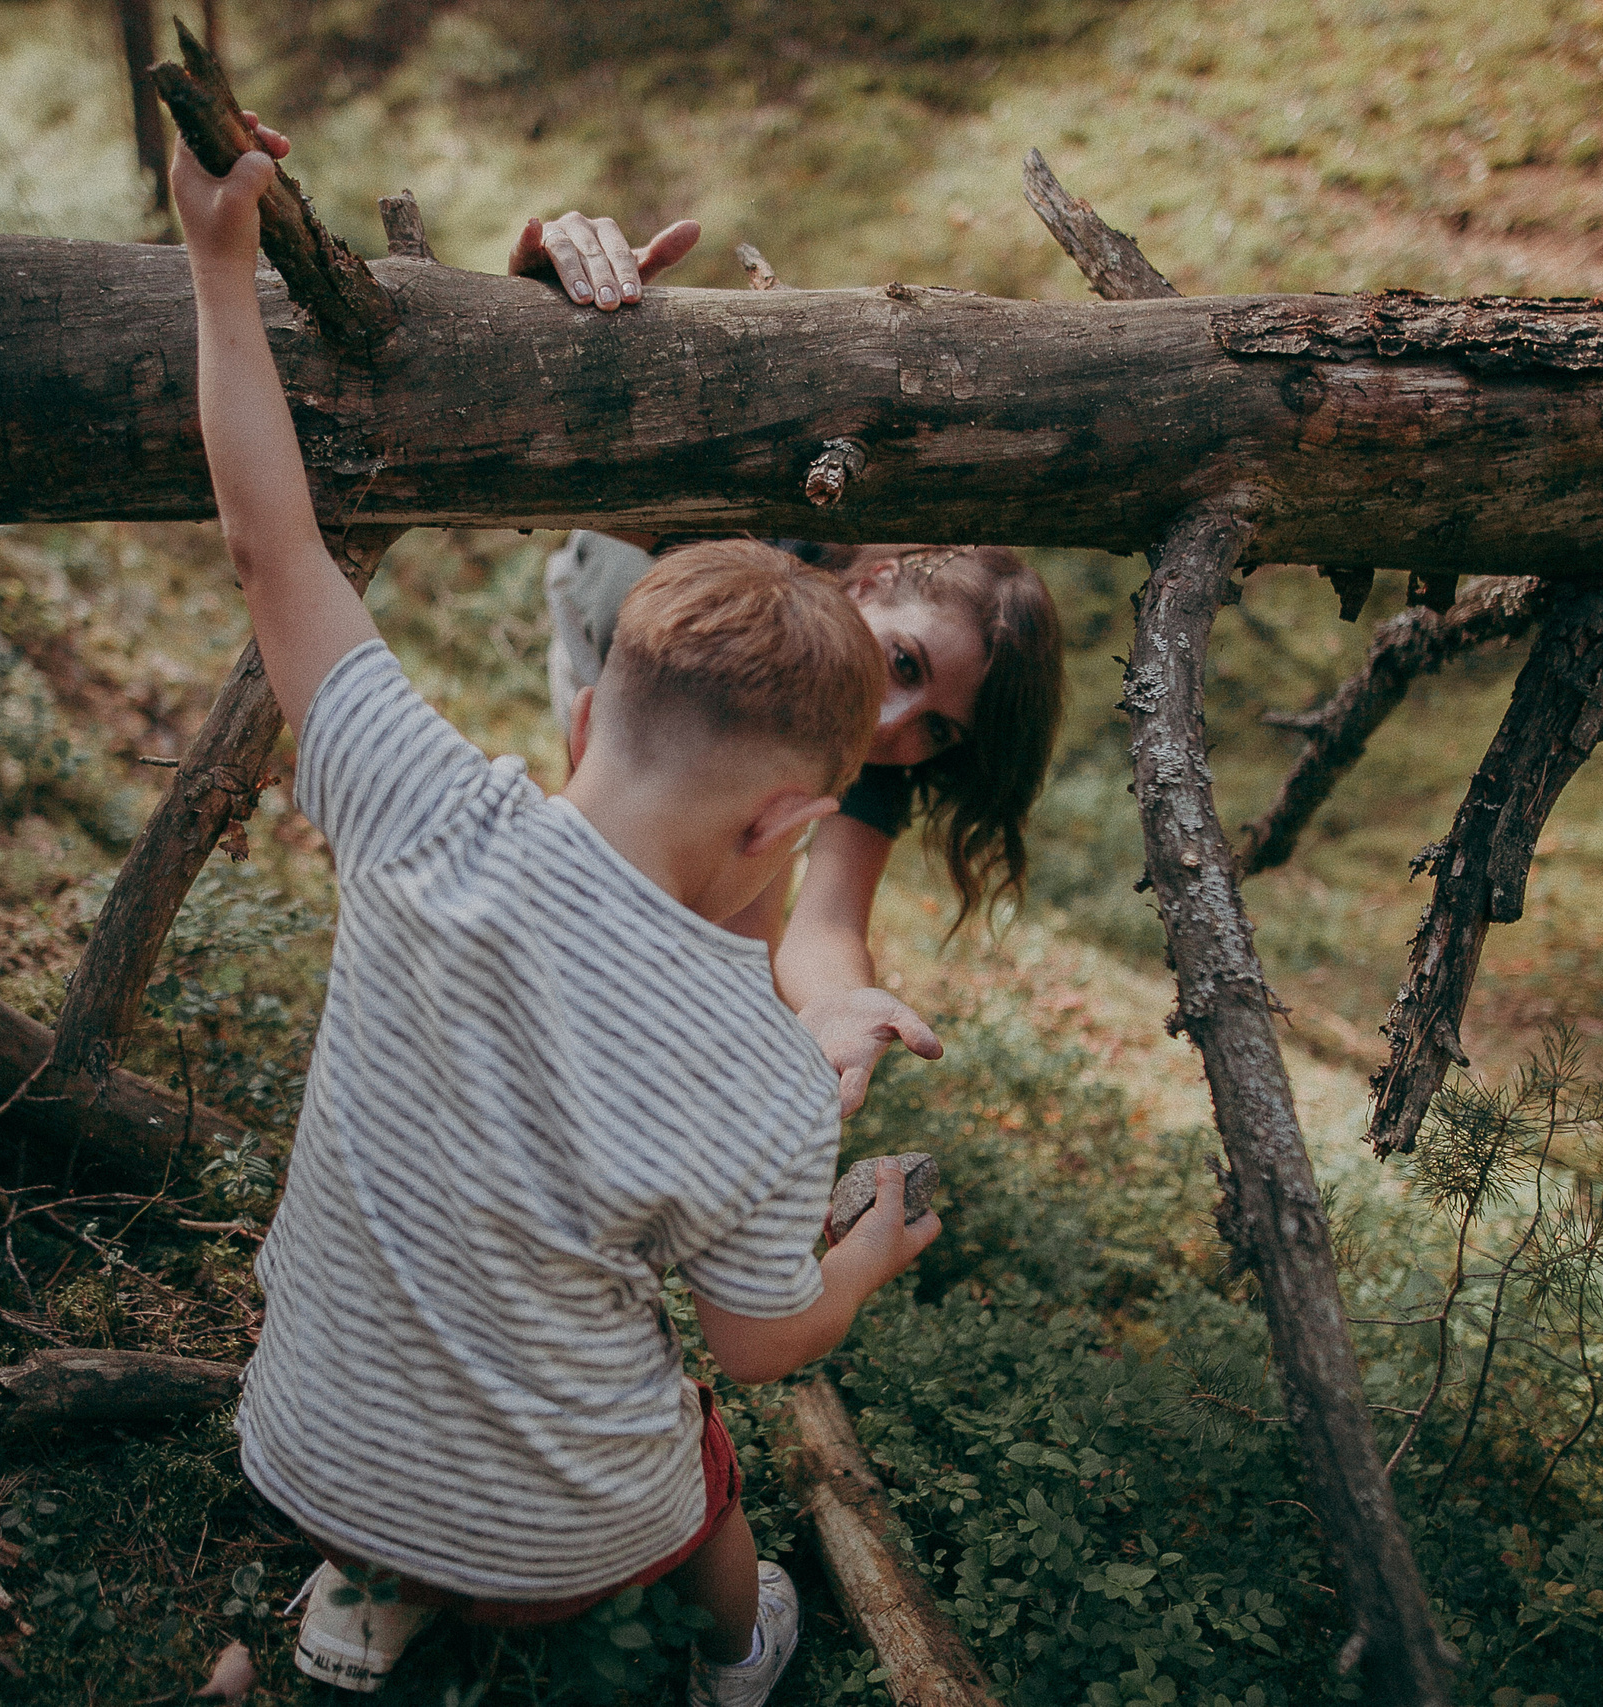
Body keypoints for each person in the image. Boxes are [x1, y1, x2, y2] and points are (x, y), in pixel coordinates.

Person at [173, 121, 942, 1703]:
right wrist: (860, 1252)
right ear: (790, 819)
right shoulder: (769, 1073)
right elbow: (754, 1337)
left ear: (587, 719)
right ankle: (741, 1655)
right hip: (572, 1543)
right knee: (705, 1450)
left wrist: (218, 266)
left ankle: (360, 1592)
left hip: (306, 1450)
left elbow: (273, 544)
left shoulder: (420, 807)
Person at [513, 208, 1070, 1117]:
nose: (894, 725)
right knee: (643, 853)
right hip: (606, 611)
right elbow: (555, 430)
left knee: (723, 881)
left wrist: (840, 1003)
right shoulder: (751, 532)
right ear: (873, 577)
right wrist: (557, 298)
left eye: (938, 727)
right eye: (903, 663)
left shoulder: (877, 741)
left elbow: (825, 921)